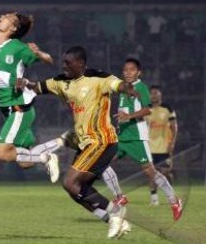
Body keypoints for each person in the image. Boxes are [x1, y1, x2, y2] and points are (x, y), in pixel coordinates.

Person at [16, 46, 134, 239]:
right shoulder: (61, 82)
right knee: (74, 189)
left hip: (101, 140)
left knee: (70, 182)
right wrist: (26, 83)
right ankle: (114, 219)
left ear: (80, 63)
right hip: (86, 143)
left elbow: (118, 85)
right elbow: (38, 87)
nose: (64, 66)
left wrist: (128, 89)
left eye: (68, 63)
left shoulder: (98, 79)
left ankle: (116, 212)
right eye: (63, 62)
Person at [0, 12, 60, 181]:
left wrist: (39, 53)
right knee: (26, 163)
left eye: (8, 16)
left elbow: (50, 60)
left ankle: (46, 157)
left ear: (13, 28)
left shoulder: (17, 47)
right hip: (7, 110)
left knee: (1, 153)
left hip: (19, 108)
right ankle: (57, 144)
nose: (2, 15)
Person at [101, 59, 182, 221]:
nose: (128, 72)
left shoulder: (141, 87)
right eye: (125, 69)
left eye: (132, 70)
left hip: (137, 137)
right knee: (102, 164)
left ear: (139, 72)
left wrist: (128, 116)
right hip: (123, 137)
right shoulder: (124, 88)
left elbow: (147, 109)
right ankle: (119, 197)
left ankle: (174, 200)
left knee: (150, 171)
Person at [145, 85, 178, 198]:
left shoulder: (168, 108)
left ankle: (170, 191)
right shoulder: (146, 109)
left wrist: (172, 142)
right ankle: (154, 199)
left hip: (165, 146)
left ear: (160, 94)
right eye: (152, 93)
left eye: (156, 93)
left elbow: (174, 127)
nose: (154, 95)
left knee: (166, 172)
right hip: (150, 147)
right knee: (152, 174)